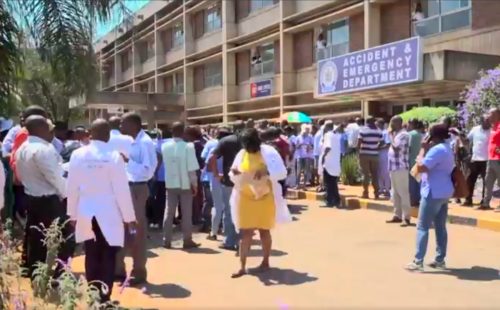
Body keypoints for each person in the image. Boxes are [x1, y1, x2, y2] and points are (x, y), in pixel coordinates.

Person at [66, 119, 137, 303]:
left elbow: (71, 186)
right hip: (109, 212)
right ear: (107, 135)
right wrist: (129, 217)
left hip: (85, 211)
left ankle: (92, 295)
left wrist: (71, 214)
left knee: (91, 252)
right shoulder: (114, 156)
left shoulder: (77, 154)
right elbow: (122, 189)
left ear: (90, 133)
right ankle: (104, 296)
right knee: (108, 254)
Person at [228, 128, 291, 278]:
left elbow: (282, 172)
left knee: (264, 231)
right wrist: (235, 173)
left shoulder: (269, 152)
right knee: (246, 233)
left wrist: (266, 172)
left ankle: (265, 261)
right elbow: (233, 172)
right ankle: (242, 267)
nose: (249, 149)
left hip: (264, 198)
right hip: (245, 198)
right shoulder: (241, 154)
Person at [16, 116, 67, 279]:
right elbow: (55, 177)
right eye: (48, 128)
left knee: (35, 237)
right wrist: (67, 196)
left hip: (31, 197)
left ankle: (34, 271)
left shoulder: (23, 147)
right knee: (63, 238)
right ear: (41, 129)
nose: (51, 131)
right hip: (49, 200)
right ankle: (58, 275)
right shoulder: (44, 149)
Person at [115, 112, 157, 285]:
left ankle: (139, 272)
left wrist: (127, 161)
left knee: (136, 232)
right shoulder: (126, 140)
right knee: (120, 230)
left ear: (134, 125)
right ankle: (118, 270)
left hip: (136, 189)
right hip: (123, 188)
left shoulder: (145, 142)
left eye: (123, 123)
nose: (120, 126)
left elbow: (148, 170)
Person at [406, 124, 455, 271]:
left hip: (432, 192)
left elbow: (421, 168)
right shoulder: (447, 148)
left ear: (434, 136)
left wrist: (423, 149)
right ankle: (440, 259)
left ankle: (418, 261)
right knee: (440, 227)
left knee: (422, 227)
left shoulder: (436, 150)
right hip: (444, 191)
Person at [161, 122, 200, 249]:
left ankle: (166, 240)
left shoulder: (165, 146)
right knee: (186, 213)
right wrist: (195, 185)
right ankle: (187, 240)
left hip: (170, 183)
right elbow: (191, 169)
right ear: (184, 132)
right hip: (185, 184)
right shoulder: (189, 147)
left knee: (169, 212)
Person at [209, 121, 244, 252]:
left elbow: (212, 157)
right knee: (242, 211)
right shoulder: (249, 142)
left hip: (229, 181)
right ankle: (242, 240)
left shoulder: (225, 141)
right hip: (245, 181)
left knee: (229, 211)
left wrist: (216, 174)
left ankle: (230, 241)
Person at [203, 127, 229, 241]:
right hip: (226, 179)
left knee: (218, 207)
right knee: (227, 207)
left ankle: (213, 232)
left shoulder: (213, 145)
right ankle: (226, 232)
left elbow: (207, 162)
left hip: (215, 179)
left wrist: (216, 174)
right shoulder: (231, 146)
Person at [386, 116, 412, 226]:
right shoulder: (396, 135)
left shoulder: (404, 135)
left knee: (403, 193)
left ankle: (406, 217)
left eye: (393, 122)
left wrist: (391, 136)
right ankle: (397, 215)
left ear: (399, 123)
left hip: (401, 168)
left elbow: (397, 148)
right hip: (393, 167)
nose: (391, 124)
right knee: (395, 193)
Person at [463, 115, 491, 207]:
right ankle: (468, 199)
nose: (488, 122)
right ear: (482, 121)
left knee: (486, 182)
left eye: (489, 120)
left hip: (486, 160)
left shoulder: (492, 131)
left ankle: (484, 201)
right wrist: (461, 137)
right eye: (486, 120)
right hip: (474, 159)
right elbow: (467, 141)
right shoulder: (475, 129)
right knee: (469, 180)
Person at [358, 117, 383, 199]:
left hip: (364, 154)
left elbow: (359, 142)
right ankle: (376, 193)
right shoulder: (379, 130)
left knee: (365, 174)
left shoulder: (363, 130)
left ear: (366, 122)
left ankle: (365, 193)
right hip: (375, 155)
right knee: (374, 174)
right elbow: (382, 142)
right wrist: (376, 147)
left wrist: (358, 152)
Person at [481, 108, 500, 210]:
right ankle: (486, 202)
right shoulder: (492, 128)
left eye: (491, 114)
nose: (489, 116)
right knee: (488, 182)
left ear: (498, 115)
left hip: (498, 159)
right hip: (491, 158)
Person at [320, 122, 341, 208]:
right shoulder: (336, 135)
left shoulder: (328, 135)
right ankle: (336, 200)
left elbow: (328, 147)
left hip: (328, 163)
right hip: (335, 162)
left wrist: (323, 156)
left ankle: (330, 201)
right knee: (333, 183)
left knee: (328, 183)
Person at [408, 119, 423, 206]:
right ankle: (418, 199)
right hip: (420, 161)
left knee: (412, 182)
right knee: (419, 181)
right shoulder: (422, 135)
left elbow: (409, 148)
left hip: (411, 160)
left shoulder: (410, 135)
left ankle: (413, 200)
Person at [295, 124, 314, 188]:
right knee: (299, 171)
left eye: (308, 130)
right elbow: (296, 147)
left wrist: (309, 147)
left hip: (307, 156)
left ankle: (304, 185)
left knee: (306, 171)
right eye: (306, 130)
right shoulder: (298, 137)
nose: (307, 131)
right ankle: (297, 184)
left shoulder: (310, 137)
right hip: (300, 156)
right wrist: (300, 145)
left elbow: (312, 146)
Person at [377, 118, 391, 198]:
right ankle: (381, 188)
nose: (376, 126)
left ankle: (387, 189)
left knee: (385, 172)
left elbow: (388, 144)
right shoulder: (378, 132)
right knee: (379, 171)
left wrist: (379, 147)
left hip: (384, 153)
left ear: (381, 124)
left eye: (377, 124)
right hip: (378, 154)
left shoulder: (386, 133)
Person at [313, 119, 325, 187]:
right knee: (317, 168)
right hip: (316, 153)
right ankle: (317, 181)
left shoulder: (322, 132)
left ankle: (319, 182)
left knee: (319, 168)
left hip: (319, 153)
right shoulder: (319, 131)